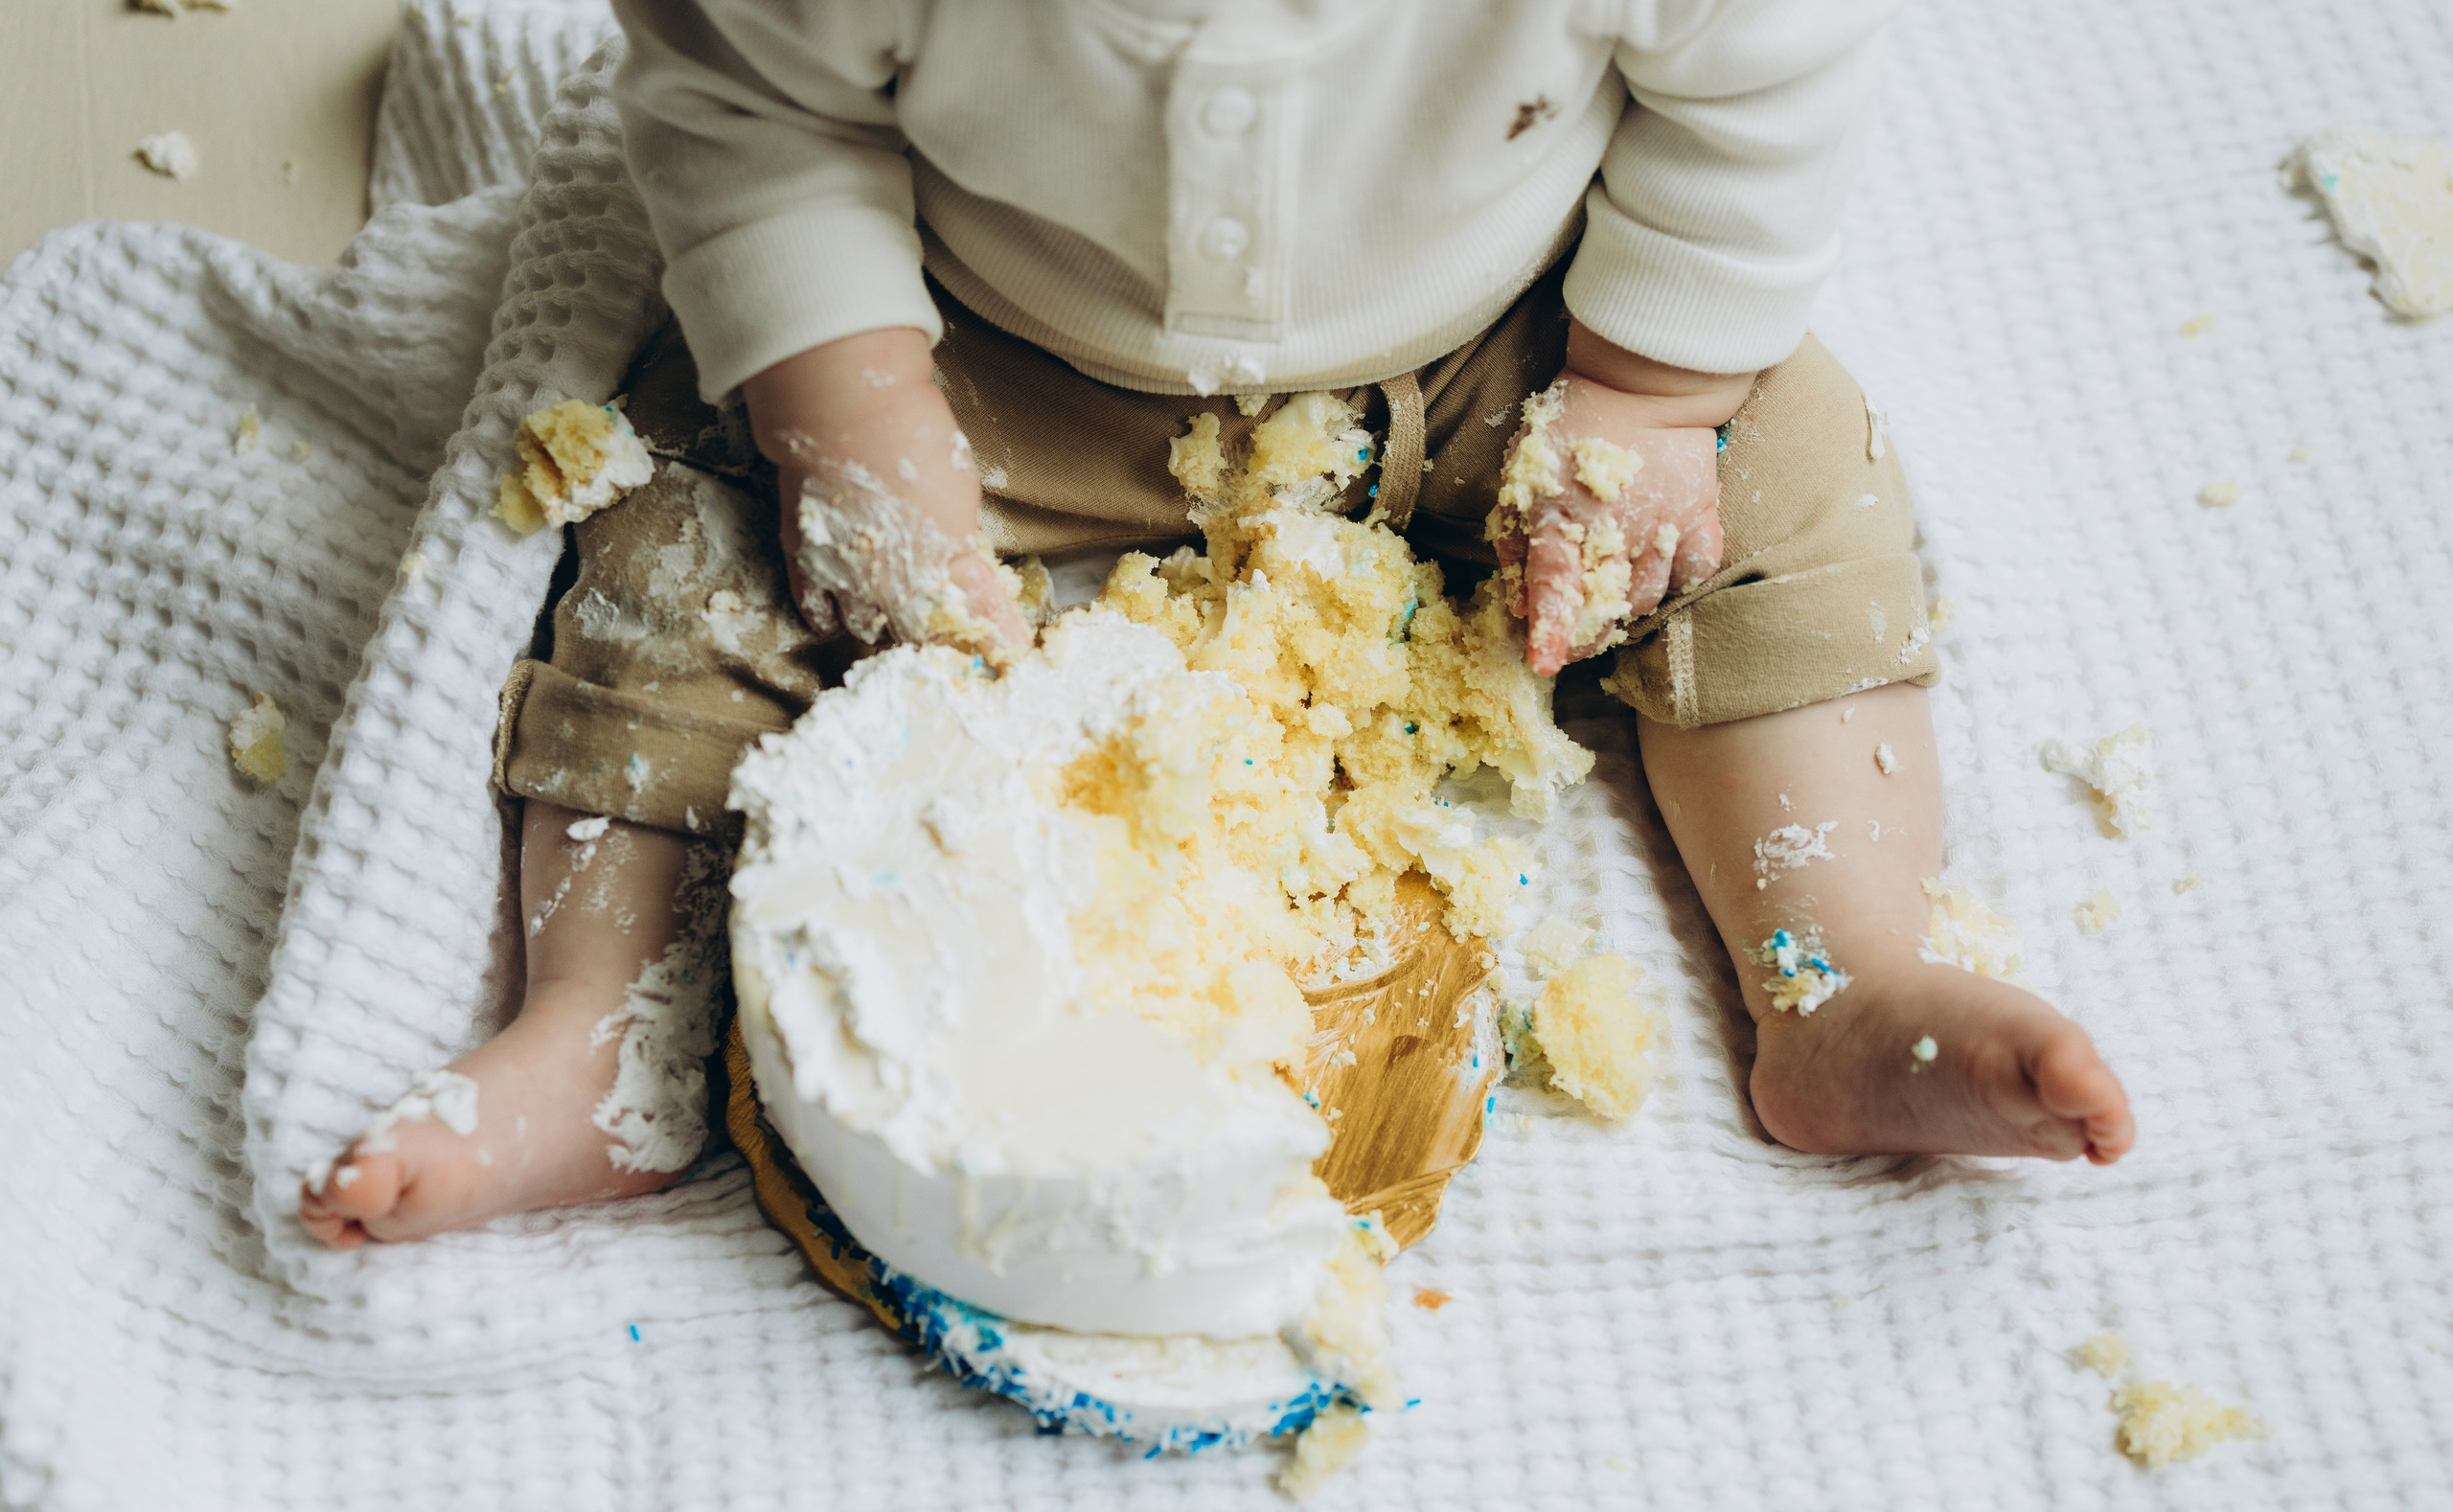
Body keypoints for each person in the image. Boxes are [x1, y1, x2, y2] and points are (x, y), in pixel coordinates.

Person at [302, 0, 2132, 1249]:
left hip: (1518, 342)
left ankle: (1841, 969)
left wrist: (1650, 405)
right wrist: (851, 420)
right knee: (684, 538)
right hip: (1001, 362)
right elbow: (752, 114)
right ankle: (605, 1030)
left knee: (1797, 473)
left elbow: (1755, 91)